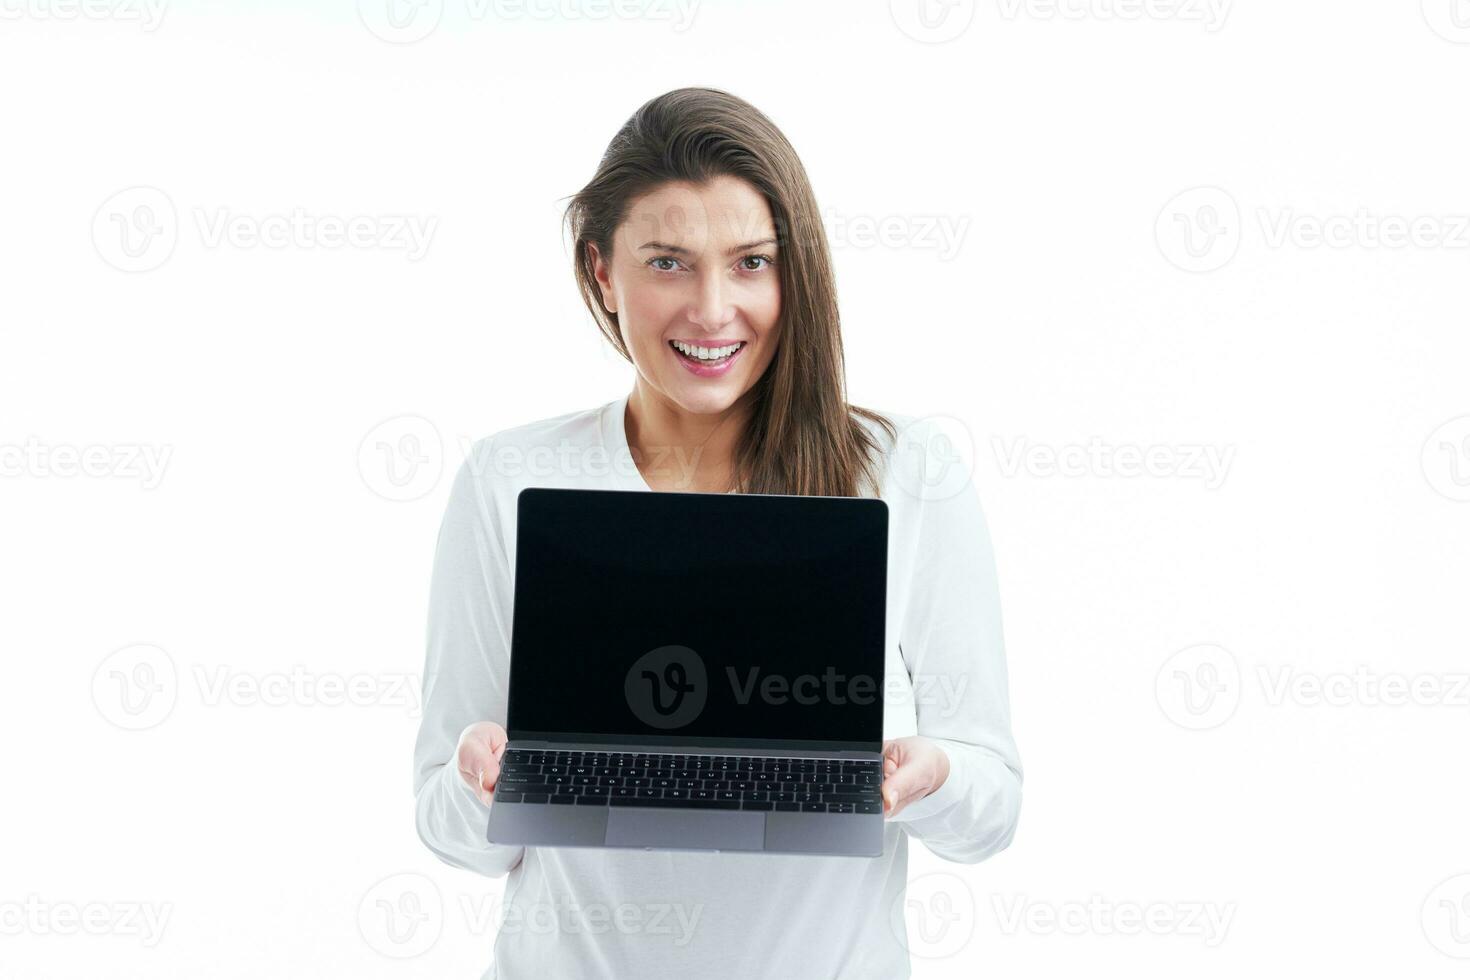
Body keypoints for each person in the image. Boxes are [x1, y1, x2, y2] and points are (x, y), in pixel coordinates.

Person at [412, 86, 1022, 979]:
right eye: (666, 262)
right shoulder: (507, 481)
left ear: (794, 271)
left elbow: (993, 811)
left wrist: (931, 779)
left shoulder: (907, 472)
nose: (710, 309)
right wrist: (482, 786)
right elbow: (451, 831)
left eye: (750, 263)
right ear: (600, 273)